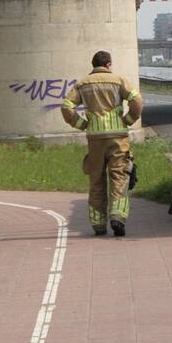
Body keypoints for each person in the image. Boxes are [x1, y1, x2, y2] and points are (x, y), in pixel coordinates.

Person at [61, 50, 143, 236]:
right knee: (119, 177)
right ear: (108, 64)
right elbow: (136, 100)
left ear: (94, 65)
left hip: (95, 139)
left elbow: (66, 106)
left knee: (96, 181)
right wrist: (128, 119)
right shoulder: (119, 80)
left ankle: (98, 224)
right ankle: (117, 217)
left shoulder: (83, 84)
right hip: (117, 137)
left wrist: (81, 123)